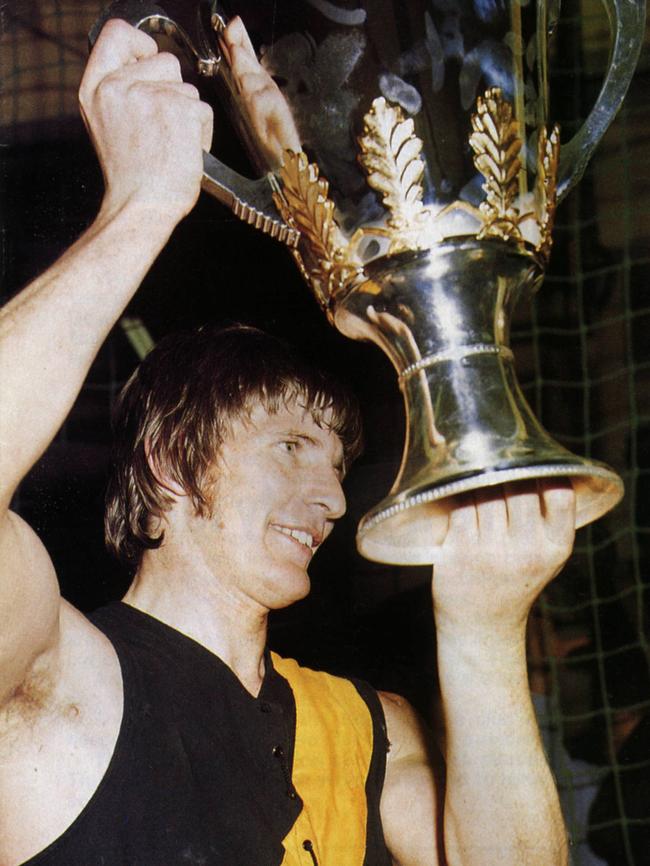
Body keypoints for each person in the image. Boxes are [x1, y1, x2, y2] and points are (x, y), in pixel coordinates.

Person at [0, 17, 577, 866]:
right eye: (290, 448)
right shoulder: (59, 678)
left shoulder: (372, 725)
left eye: (339, 465)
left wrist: (484, 627)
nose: (337, 498)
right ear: (169, 459)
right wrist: (143, 205)